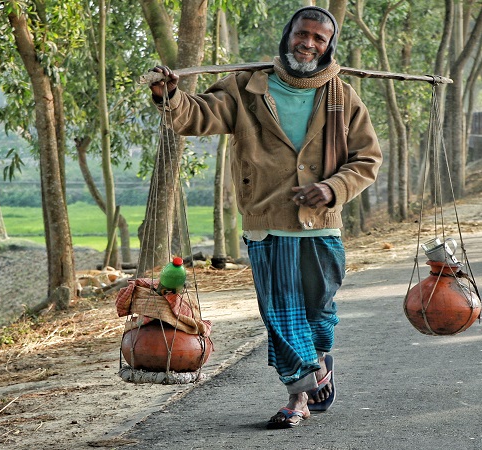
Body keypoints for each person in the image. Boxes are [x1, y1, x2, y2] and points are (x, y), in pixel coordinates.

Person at [149, 6, 382, 429]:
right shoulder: (245, 87)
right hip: (267, 221)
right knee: (281, 314)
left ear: (329, 46)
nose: (308, 43)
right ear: (287, 35)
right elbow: (198, 115)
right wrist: (171, 96)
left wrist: (332, 188)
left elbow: (367, 159)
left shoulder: (342, 96)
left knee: (318, 312)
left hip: (322, 224)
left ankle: (317, 368)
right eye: (301, 34)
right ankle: (299, 397)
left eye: (319, 38)